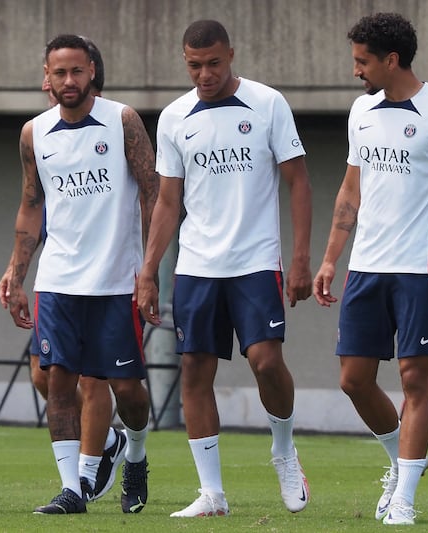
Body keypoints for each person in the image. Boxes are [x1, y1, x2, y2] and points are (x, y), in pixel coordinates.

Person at [137, 19, 314, 517]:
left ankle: (283, 450)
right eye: (194, 65)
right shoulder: (173, 117)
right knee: (194, 368)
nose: (204, 74)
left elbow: (298, 182)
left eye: (213, 63)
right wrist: (149, 269)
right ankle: (212, 494)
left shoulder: (267, 103)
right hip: (196, 265)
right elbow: (168, 201)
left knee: (266, 361)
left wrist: (300, 257)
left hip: (256, 261)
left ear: (231, 55)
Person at [313, 13, 428, 526]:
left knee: (414, 381)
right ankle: (402, 462)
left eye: (362, 61)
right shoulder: (360, 111)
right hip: (366, 265)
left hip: (420, 268)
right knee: (354, 380)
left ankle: (403, 497)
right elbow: (350, 189)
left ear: (391, 59)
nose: (355, 70)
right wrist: (331, 257)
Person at [2, 34, 157, 515]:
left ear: (92, 71)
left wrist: (149, 269)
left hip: (116, 282)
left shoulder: (123, 121)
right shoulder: (34, 133)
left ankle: (134, 452)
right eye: (59, 73)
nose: (68, 81)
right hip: (58, 281)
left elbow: (154, 195)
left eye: (76, 71)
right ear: (46, 77)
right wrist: (16, 272)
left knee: (127, 391)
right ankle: (73, 488)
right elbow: (31, 206)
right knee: (57, 379)